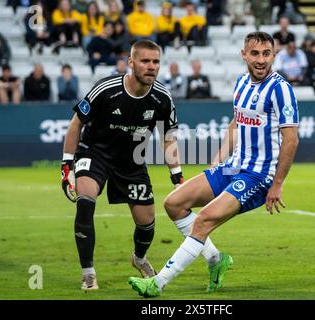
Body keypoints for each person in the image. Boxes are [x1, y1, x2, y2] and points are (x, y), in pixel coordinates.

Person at [128, 31, 300, 298]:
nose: (261, 59)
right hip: (232, 167)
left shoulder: (281, 90)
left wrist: (277, 184)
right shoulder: (242, 83)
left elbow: (291, 139)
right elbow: (236, 122)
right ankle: (215, 259)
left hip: (258, 176)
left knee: (204, 220)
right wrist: (218, 159)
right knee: (173, 203)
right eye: (255, 53)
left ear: (274, 55)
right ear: (244, 55)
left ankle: (157, 283)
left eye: (266, 53)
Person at [61, 39, 219, 291]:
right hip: (95, 153)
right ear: (131, 63)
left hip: (132, 162)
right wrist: (67, 165)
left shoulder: (162, 97)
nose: (151, 66)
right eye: (145, 61)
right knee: (86, 202)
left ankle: (139, 258)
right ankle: (88, 272)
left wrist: (177, 176)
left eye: (156, 61)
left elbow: (168, 139)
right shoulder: (106, 89)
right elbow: (75, 124)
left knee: (146, 223)